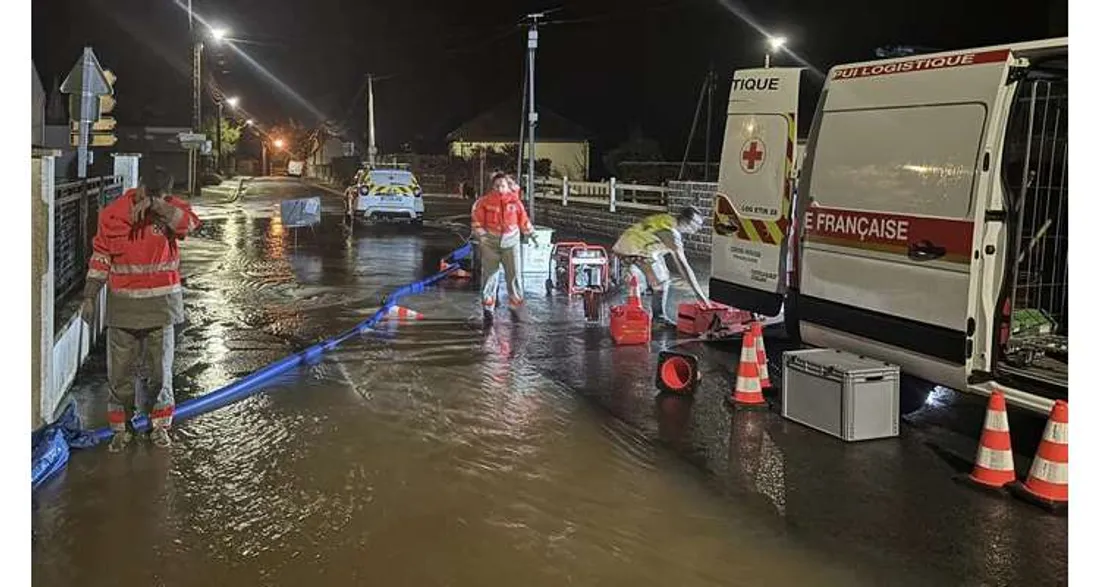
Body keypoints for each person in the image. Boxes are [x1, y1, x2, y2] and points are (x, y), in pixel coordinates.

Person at [81, 167, 202, 451]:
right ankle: (121, 428)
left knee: (161, 373)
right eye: (153, 195)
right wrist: (89, 295)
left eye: (164, 196)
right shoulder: (113, 214)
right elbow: (101, 258)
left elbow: (190, 224)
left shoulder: (169, 210)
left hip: (162, 308)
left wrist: (158, 206)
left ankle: (160, 426)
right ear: (140, 188)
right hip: (123, 309)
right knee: (120, 374)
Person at [612, 206, 709, 326]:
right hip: (632, 250)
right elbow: (684, 267)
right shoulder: (671, 234)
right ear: (688, 221)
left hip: (637, 246)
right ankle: (654, 319)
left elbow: (651, 237)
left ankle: (657, 316)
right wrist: (700, 296)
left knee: (662, 277)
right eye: (698, 224)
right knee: (658, 282)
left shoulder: (668, 220)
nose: (699, 228)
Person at [471, 172, 537, 324]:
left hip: (511, 243)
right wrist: (481, 236)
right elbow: (477, 221)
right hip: (490, 243)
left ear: (508, 186)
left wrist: (532, 234)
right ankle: (488, 308)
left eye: (503, 185)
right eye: (497, 185)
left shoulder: (515, 203)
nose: (500, 188)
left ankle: (515, 306)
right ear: (492, 187)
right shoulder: (484, 202)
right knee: (490, 276)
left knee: (514, 275)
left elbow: (523, 220)